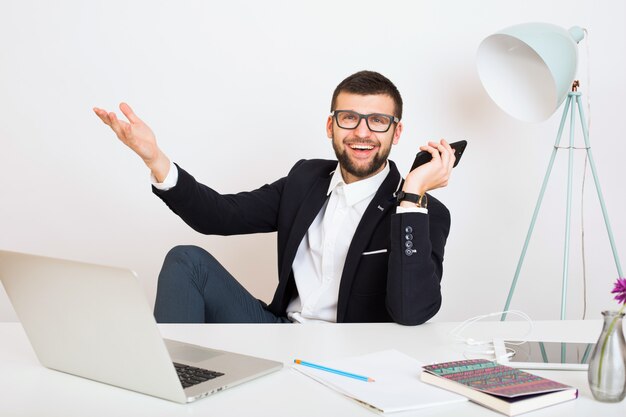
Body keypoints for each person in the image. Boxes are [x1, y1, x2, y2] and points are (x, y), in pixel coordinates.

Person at [93, 70, 456, 326]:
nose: (362, 132)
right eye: (349, 118)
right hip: (282, 336)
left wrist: (411, 198)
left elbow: (411, 312)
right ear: (331, 126)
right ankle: (171, 388)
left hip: (354, 357)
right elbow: (219, 216)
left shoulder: (425, 212)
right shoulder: (305, 180)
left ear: (397, 132)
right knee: (187, 260)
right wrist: (155, 159)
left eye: (378, 120)